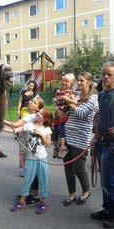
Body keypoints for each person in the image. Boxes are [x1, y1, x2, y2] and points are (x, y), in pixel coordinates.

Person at [4, 104, 53, 214]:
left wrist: (41, 134)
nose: (37, 113)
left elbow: (48, 144)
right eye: (38, 112)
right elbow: (15, 129)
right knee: (27, 180)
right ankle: (22, 202)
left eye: (40, 113)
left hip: (42, 159)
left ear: (45, 118)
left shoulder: (47, 129)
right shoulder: (29, 125)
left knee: (43, 180)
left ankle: (43, 203)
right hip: (30, 158)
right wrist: (0, 126)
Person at [62, 71, 99, 207]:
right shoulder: (76, 95)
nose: (79, 82)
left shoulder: (94, 98)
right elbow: (67, 110)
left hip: (81, 138)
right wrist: (63, 103)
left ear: (89, 82)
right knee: (68, 165)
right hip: (70, 136)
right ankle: (71, 194)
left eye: (82, 80)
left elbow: (82, 113)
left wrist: (70, 103)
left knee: (78, 167)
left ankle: (86, 191)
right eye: (78, 80)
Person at [91, 61, 114, 228]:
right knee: (105, 181)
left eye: (110, 74)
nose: (105, 77)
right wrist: (95, 137)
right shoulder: (101, 95)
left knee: (111, 182)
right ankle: (107, 210)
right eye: (103, 74)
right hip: (102, 143)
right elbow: (99, 118)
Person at [52, 73, 77, 159]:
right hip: (57, 114)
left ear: (71, 83)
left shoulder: (70, 93)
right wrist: (56, 108)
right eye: (63, 81)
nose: (64, 82)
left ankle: (63, 147)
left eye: (66, 81)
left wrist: (68, 99)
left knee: (61, 129)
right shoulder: (59, 91)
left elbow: (75, 102)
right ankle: (55, 148)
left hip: (65, 115)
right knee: (55, 131)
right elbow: (55, 102)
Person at [17, 81, 37, 177]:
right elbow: (20, 101)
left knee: (30, 146)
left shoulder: (35, 95)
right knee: (22, 146)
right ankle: (23, 168)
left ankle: (31, 167)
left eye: (32, 86)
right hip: (23, 113)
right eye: (29, 84)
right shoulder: (23, 92)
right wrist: (18, 110)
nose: (30, 86)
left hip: (30, 116)